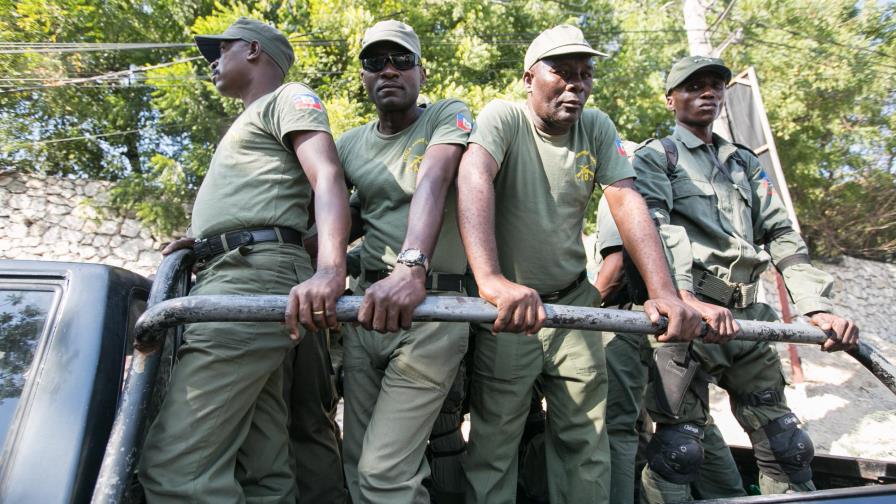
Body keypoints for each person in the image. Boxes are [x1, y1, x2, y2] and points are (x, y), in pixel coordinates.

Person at [456, 24, 702, 504]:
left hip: (573, 304)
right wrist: (490, 280)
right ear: (529, 78)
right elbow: (474, 177)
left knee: (586, 442)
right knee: (495, 444)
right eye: (562, 73)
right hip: (511, 312)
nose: (577, 85)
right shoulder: (503, 119)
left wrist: (664, 291)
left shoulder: (597, 127)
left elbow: (627, 201)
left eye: (585, 74)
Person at [137, 17, 349, 503]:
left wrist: (331, 270)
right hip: (236, 271)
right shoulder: (249, 121)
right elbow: (260, 200)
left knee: (177, 468)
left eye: (223, 48)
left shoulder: (288, 99)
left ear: (254, 50)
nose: (214, 59)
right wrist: (205, 241)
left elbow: (328, 178)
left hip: (250, 278)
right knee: (263, 462)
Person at [633, 55, 859, 502]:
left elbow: (781, 234)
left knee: (788, 446)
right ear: (670, 99)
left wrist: (817, 307)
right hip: (689, 319)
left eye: (716, 85)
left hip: (750, 318)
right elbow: (656, 231)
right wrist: (683, 299)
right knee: (679, 451)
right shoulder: (657, 157)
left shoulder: (742, 163)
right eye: (694, 86)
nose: (708, 93)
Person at [335, 20, 473, 503]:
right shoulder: (350, 144)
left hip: (430, 307)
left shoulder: (446, 116)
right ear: (363, 76)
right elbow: (340, 220)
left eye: (401, 61)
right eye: (375, 62)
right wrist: (213, 241)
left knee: (384, 472)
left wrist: (410, 267)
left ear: (421, 71)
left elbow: (433, 181)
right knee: (356, 463)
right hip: (365, 311)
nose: (388, 70)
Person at [595, 197, 748, 503]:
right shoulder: (692, 173)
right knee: (688, 423)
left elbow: (615, 268)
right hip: (713, 309)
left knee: (639, 429)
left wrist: (581, 308)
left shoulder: (625, 181)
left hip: (653, 314)